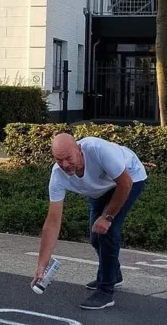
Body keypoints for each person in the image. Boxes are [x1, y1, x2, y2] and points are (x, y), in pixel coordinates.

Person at [31, 132, 147, 310]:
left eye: (68, 158)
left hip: (130, 180)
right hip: (99, 190)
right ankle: (114, 274)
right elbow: (52, 223)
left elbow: (125, 183)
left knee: (108, 231)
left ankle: (105, 291)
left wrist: (107, 217)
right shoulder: (57, 176)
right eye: (58, 160)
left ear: (79, 149)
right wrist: (41, 266)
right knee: (95, 236)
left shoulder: (98, 150)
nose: (65, 165)